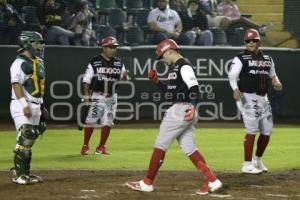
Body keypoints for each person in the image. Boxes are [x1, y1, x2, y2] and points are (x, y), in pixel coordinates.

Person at [125, 39, 222, 195]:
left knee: (160, 144)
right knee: (190, 148)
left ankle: (147, 182)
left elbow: (194, 86)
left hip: (180, 109)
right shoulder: (175, 68)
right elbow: (171, 92)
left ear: (169, 51)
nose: (162, 60)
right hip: (183, 109)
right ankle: (212, 180)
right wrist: (157, 81)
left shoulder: (183, 65)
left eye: (162, 56)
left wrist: (192, 105)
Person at [228, 29, 283, 174]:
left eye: (254, 40)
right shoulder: (241, 57)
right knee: (252, 129)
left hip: (263, 97)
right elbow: (232, 75)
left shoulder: (268, 59)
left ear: (259, 41)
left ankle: (257, 161)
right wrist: (235, 89)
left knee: (267, 130)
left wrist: (276, 82)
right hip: (247, 96)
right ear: (245, 42)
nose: (251, 43)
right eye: (248, 41)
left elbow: (273, 75)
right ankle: (246, 164)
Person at [80, 36, 129, 156]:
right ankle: (85, 146)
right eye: (110, 47)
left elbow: (125, 78)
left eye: (114, 47)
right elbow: (86, 80)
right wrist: (87, 97)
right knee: (90, 121)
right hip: (98, 96)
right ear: (104, 47)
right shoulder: (95, 61)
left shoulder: (119, 62)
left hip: (112, 97)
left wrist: (125, 76)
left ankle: (101, 147)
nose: (113, 49)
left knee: (108, 122)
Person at [9, 31, 47, 184]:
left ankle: (25, 173)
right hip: (21, 103)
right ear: (27, 43)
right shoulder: (18, 63)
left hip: (36, 105)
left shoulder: (39, 62)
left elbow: (39, 87)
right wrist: (25, 105)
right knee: (27, 135)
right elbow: (16, 84)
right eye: (36, 42)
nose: (39, 46)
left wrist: (42, 107)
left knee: (31, 138)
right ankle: (18, 175)